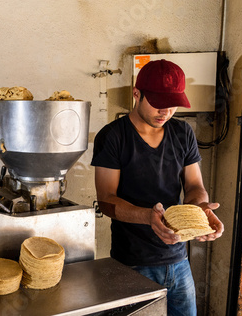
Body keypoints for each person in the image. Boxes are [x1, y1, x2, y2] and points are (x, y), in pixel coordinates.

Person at [91, 59, 224, 316]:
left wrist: (201, 211)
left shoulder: (183, 132)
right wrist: (148, 217)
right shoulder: (113, 137)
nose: (166, 111)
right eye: (157, 103)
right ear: (137, 94)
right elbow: (106, 199)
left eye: (173, 103)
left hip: (178, 260)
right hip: (132, 263)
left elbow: (195, 186)